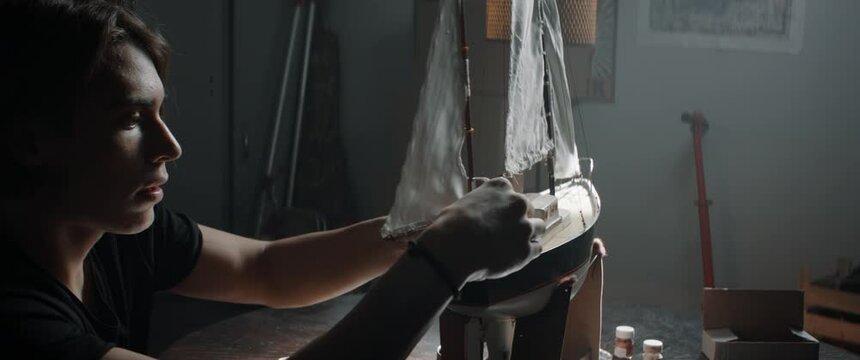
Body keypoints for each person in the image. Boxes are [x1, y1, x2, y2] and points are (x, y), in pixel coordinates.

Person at [0, 1, 606, 359]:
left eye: (160, 113)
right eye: (131, 121)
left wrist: (420, 230)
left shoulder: (114, 237)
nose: (170, 146)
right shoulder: (21, 320)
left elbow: (267, 268)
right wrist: (442, 260)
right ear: (31, 142)